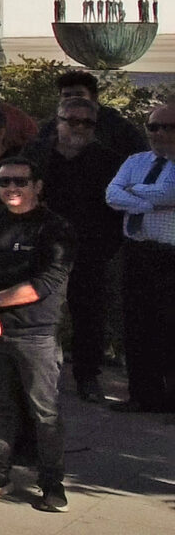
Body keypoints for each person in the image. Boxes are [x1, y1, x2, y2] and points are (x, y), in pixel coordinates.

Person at [0, 157, 74, 511]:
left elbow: (43, 285)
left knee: (44, 411)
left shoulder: (55, 228)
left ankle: (52, 483)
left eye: (20, 181)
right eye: (4, 182)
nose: (11, 188)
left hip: (35, 334)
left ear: (37, 186)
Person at [33, 96, 121, 404]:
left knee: (89, 316)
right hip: (41, 250)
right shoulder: (36, 155)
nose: (79, 127)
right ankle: (36, 376)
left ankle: (87, 376)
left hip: (89, 249)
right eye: (72, 120)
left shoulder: (108, 160)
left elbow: (116, 209)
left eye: (87, 122)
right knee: (37, 315)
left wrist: (106, 247)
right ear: (58, 122)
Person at [105, 103, 175, 413]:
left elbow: (170, 194)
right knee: (136, 324)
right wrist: (148, 203)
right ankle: (143, 395)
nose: (159, 133)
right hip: (137, 251)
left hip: (170, 254)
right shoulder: (136, 161)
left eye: (168, 127)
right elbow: (112, 195)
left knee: (169, 326)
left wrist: (133, 193)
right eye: (153, 126)